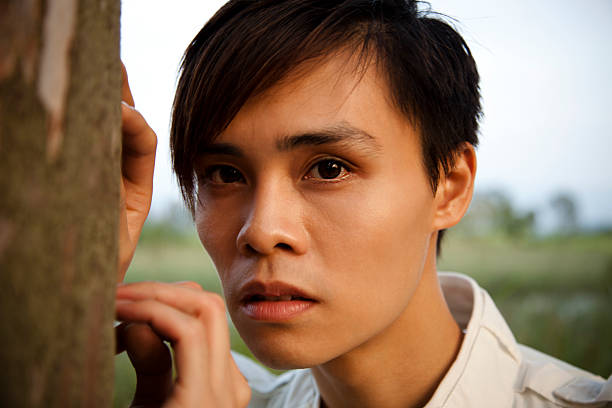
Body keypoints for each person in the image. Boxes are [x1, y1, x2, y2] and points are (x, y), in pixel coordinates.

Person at [115, 1, 612, 407]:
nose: (263, 231)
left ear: (451, 187)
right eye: (225, 174)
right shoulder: (202, 395)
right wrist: (76, 269)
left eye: (329, 168)